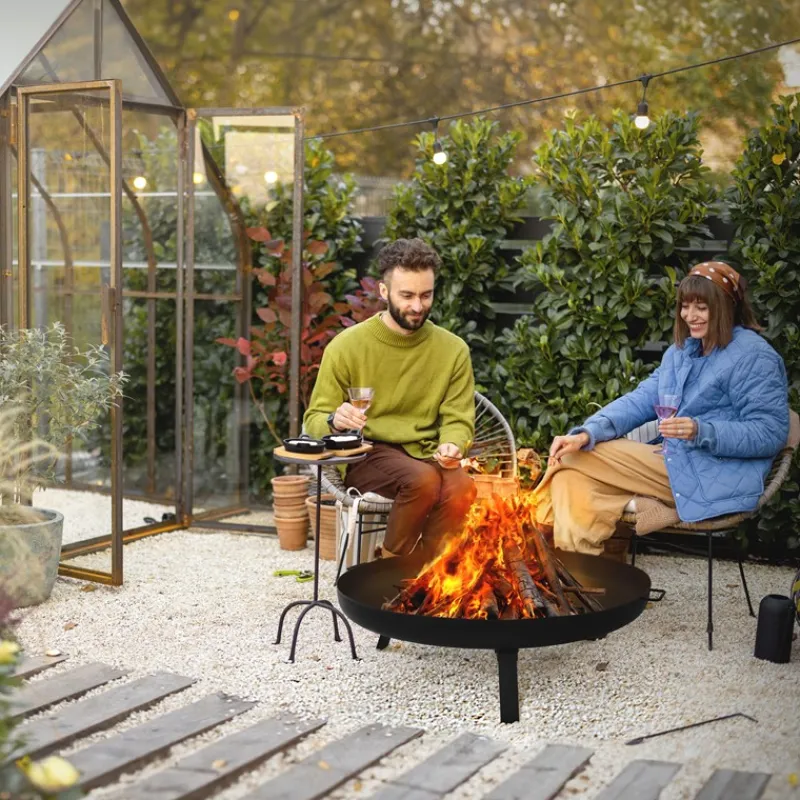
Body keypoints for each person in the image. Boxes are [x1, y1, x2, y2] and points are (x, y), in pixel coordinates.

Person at [532, 261, 790, 555]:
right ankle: (586, 587)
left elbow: (770, 432)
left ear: (725, 307)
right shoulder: (682, 352)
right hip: (675, 461)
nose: (689, 316)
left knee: (575, 459)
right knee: (570, 480)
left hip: (712, 472)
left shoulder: (755, 356)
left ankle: (525, 524)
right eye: (685, 306)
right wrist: (587, 432)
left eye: (701, 308)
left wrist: (701, 430)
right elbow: (641, 399)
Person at [304, 237, 477, 558]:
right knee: (423, 480)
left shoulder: (453, 350)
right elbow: (313, 421)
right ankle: (388, 571)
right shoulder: (347, 347)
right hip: (368, 454)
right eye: (407, 295)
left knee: (462, 488)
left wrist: (453, 443)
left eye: (426, 295)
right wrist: (334, 420)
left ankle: (429, 577)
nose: (417, 306)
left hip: (426, 454)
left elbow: (458, 419)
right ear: (384, 292)